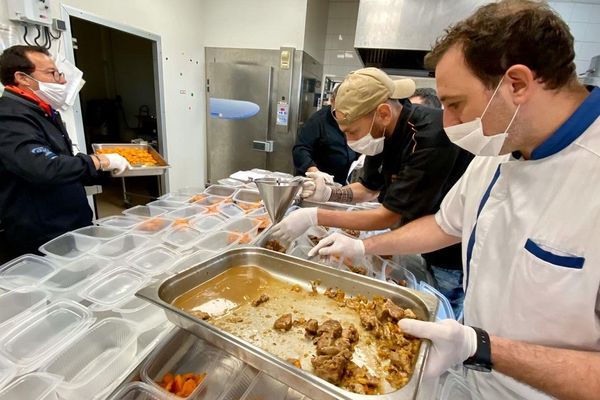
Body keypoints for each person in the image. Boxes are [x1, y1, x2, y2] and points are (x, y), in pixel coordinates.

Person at [310, 1, 600, 399]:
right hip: (477, 380)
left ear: (516, 84)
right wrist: (363, 246)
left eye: (455, 104)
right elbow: (444, 225)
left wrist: (481, 348)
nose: (446, 124)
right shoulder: (496, 156)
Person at [273, 67, 473, 316]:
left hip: (451, 250)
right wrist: (330, 194)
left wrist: (314, 216)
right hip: (419, 234)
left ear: (383, 113)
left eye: (353, 132)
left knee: (443, 309)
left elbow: (388, 216)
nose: (349, 141)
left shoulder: (428, 137)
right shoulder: (382, 134)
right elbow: (368, 189)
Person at [0, 45, 129, 259]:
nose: (61, 81)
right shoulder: (9, 117)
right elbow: (43, 168)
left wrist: (99, 172)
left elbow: (62, 164)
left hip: (71, 224)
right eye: (52, 73)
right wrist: (98, 161)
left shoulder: (45, 112)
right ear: (22, 78)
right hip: (43, 235)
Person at [293, 84, 359, 185]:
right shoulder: (318, 120)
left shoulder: (355, 119)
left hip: (343, 182)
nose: (347, 112)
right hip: (317, 182)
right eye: (343, 106)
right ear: (332, 101)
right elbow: (300, 150)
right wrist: (315, 172)